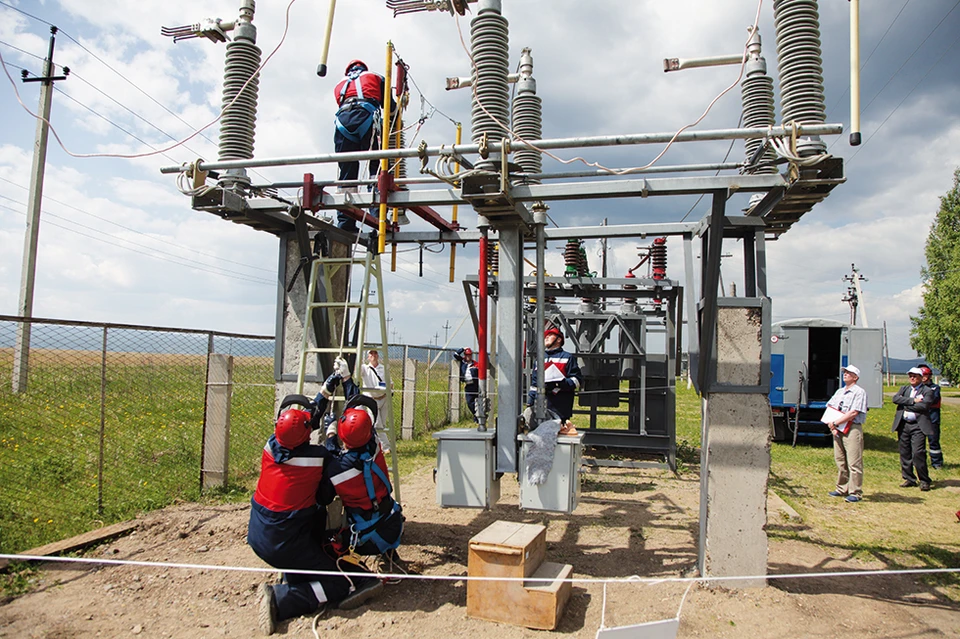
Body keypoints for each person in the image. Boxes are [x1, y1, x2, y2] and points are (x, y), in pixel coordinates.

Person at [247, 358, 383, 635]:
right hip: (285, 541)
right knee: (340, 583)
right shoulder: (316, 459)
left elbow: (306, 423)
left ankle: (295, 573)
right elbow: (332, 464)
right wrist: (333, 432)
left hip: (260, 533)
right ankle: (280, 601)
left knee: (312, 521)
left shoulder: (272, 446)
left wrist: (325, 390)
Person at [333, 59, 385, 233]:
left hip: (343, 124)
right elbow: (390, 107)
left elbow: (343, 105)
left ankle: (346, 223)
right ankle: (377, 216)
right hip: (368, 118)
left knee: (347, 173)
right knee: (376, 167)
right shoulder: (375, 77)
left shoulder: (339, 85)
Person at [824, 364, 869, 503]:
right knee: (840, 459)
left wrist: (836, 422)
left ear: (855, 377)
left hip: (852, 428)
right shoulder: (840, 392)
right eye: (844, 372)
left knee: (854, 461)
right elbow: (830, 407)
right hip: (837, 428)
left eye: (848, 373)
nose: (845, 375)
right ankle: (841, 488)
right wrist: (832, 424)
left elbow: (854, 412)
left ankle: (855, 491)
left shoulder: (859, 392)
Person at [527, 326, 583, 425]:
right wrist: (530, 402)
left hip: (560, 408)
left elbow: (577, 380)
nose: (546, 338)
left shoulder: (567, 357)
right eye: (545, 336)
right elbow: (534, 383)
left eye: (550, 335)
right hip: (541, 407)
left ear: (559, 339)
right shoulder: (540, 359)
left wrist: (559, 384)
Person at [892, 367, 934, 491]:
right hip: (904, 424)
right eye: (910, 375)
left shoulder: (927, 391)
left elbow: (924, 406)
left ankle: (924, 480)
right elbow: (895, 399)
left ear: (921, 378)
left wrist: (906, 406)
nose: (912, 378)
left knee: (918, 453)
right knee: (904, 452)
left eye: (915, 376)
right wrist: (913, 401)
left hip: (918, 426)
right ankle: (909, 478)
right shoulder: (904, 388)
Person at [360, 349, 391, 451]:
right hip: (371, 400)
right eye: (371, 354)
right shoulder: (365, 368)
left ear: (378, 356)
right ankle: (386, 447)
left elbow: (390, 383)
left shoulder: (383, 368)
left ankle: (377, 446)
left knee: (382, 424)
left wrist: (386, 387)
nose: (373, 355)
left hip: (383, 398)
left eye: (375, 353)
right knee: (377, 424)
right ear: (368, 357)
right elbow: (357, 369)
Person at [919, 365, 944, 469]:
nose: (923, 377)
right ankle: (920, 462)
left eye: (925, 375)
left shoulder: (935, 388)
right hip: (920, 418)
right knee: (919, 442)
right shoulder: (918, 388)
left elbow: (933, 400)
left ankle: (937, 462)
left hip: (932, 419)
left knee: (933, 441)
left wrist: (921, 400)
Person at [453, 347, 480, 421]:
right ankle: (476, 415)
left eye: (469, 355)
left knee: (478, 401)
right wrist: (462, 349)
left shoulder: (476, 364)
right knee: (469, 402)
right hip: (468, 385)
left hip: (476, 385)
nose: (468, 357)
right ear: (465, 355)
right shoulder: (463, 362)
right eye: (467, 355)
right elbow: (455, 354)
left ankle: (478, 417)